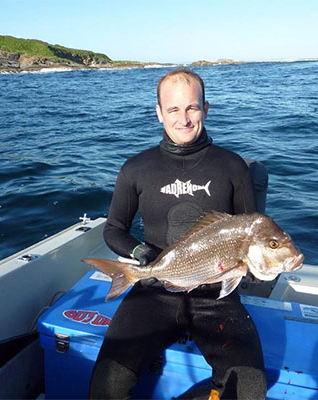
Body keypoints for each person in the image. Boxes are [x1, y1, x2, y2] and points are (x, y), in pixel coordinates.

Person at [88, 69, 267, 399]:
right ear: (158, 113)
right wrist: (144, 255)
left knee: (251, 388)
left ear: (206, 109)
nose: (183, 119)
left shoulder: (233, 167)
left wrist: (255, 269)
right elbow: (114, 230)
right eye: (173, 109)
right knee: (106, 383)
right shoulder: (135, 168)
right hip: (154, 290)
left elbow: (250, 233)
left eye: (192, 108)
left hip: (217, 296)